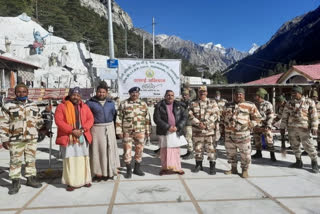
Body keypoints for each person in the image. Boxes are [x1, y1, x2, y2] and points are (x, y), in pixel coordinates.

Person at [0, 83, 44, 195]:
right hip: (16, 139)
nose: (21, 94)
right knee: (15, 161)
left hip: (31, 138)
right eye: (19, 92)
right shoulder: (8, 106)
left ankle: (31, 179)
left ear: (27, 93)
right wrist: (4, 139)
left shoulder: (34, 105)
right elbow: (3, 123)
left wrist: (44, 125)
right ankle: (15, 182)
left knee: (31, 160)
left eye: (24, 92)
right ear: (15, 93)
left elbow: (38, 121)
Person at [55, 87, 94, 191]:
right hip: (69, 137)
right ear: (70, 95)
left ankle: (85, 180)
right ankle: (71, 183)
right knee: (70, 160)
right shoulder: (61, 106)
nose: (75, 97)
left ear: (80, 96)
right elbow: (59, 121)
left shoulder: (84, 106)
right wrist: (72, 130)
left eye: (77, 95)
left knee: (83, 159)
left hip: (82, 135)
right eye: (73, 95)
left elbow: (91, 119)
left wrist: (82, 129)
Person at [222, 88, 261, 178]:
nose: (238, 96)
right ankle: (233, 168)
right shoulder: (227, 105)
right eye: (236, 94)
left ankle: (244, 170)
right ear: (234, 95)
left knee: (245, 154)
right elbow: (222, 118)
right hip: (229, 135)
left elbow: (258, 118)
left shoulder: (250, 105)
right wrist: (222, 131)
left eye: (240, 94)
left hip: (243, 135)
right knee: (231, 153)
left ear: (243, 95)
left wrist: (250, 124)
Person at [280, 86, 319, 173]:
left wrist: (314, 127)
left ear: (300, 93)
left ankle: (314, 162)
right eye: (292, 93)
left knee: (309, 146)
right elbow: (284, 116)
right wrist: (282, 127)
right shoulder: (289, 103)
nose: (293, 94)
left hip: (304, 129)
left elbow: (314, 116)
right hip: (292, 129)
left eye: (295, 93)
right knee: (295, 146)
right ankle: (298, 161)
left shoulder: (309, 102)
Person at [86, 81, 120, 182]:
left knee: (109, 150)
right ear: (96, 92)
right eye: (99, 92)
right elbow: (86, 116)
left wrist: (116, 130)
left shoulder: (111, 103)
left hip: (109, 128)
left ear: (107, 93)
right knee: (98, 151)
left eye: (103, 92)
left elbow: (114, 116)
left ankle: (110, 171)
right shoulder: (90, 103)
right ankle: (98, 173)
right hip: (96, 129)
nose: (101, 94)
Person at [116, 87, 151, 178]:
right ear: (129, 93)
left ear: (139, 94)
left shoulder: (143, 104)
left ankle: (137, 168)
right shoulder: (124, 104)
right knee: (127, 151)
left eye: (136, 93)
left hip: (140, 131)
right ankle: (128, 170)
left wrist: (148, 131)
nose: (134, 94)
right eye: (133, 93)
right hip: (127, 132)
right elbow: (119, 118)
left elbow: (147, 118)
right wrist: (119, 131)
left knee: (139, 150)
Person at [154, 90, 188, 175]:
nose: (170, 97)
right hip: (164, 131)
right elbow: (157, 119)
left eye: (172, 95)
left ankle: (177, 168)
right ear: (165, 96)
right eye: (168, 95)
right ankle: (164, 168)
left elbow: (184, 117)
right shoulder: (159, 106)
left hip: (175, 131)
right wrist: (168, 127)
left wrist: (178, 127)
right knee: (164, 151)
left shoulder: (179, 105)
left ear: (174, 96)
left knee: (175, 151)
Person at [189, 85, 220, 175]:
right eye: (200, 92)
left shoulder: (212, 102)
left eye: (204, 91)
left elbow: (216, 114)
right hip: (197, 131)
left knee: (211, 149)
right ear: (198, 93)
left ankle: (212, 166)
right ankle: (199, 165)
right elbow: (190, 115)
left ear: (207, 92)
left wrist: (206, 123)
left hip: (209, 131)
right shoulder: (193, 103)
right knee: (198, 149)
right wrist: (198, 123)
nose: (202, 93)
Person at [252, 88, 276, 161]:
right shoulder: (254, 104)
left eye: (256, 95)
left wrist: (268, 125)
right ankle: (258, 153)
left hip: (265, 125)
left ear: (260, 96)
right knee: (257, 140)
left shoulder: (267, 104)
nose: (255, 97)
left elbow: (270, 115)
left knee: (269, 140)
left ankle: (272, 155)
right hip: (256, 125)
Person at [180, 89, 194, 160]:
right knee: (186, 138)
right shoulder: (182, 102)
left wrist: (189, 88)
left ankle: (191, 152)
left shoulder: (190, 102)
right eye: (183, 95)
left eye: (186, 95)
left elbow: (194, 94)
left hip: (189, 123)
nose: (184, 96)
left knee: (188, 138)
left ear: (188, 95)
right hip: (184, 123)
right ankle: (188, 151)